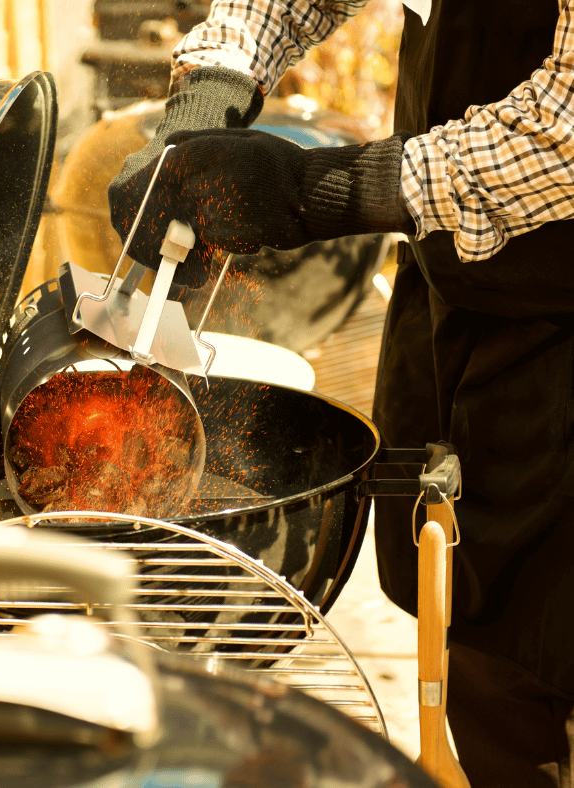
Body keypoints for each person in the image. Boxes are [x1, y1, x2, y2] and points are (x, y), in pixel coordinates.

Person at [107, 1, 574, 786]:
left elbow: (563, 137)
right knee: (486, 647)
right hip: (461, 297)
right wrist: (204, 102)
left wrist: (316, 190)